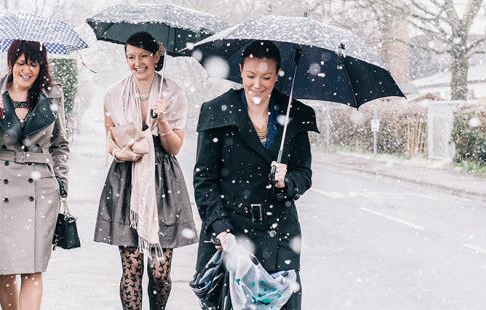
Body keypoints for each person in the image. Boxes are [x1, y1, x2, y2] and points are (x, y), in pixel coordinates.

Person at [193, 40, 318, 310]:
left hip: (279, 235)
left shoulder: (294, 114)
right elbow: (204, 181)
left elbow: (304, 173)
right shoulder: (217, 111)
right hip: (230, 234)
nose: (257, 84)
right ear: (240, 70)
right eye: (251, 76)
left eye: (266, 77)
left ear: (277, 75)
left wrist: (287, 181)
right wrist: (220, 228)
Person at [0, 40, 69, 310]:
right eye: (21, 63)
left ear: (41, 67)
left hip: (41, 188)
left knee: (33, 267)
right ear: (11, 63)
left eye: (34, 64)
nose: (27, 70)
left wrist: (61, 184)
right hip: (0, 187)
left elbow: (60, 144)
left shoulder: (52, 95)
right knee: (5, 268)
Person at [94, 31, 198, 310]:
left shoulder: (173, 93)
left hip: (163, 180)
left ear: (157, 56)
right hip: (125, 179)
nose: (137, 63)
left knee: (160, 273)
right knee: (131, 269)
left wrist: (162, 120)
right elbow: (110, 138)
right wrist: (119, 153)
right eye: (131, 57)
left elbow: (174, 147)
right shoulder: (113, 94)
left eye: (143, 56)